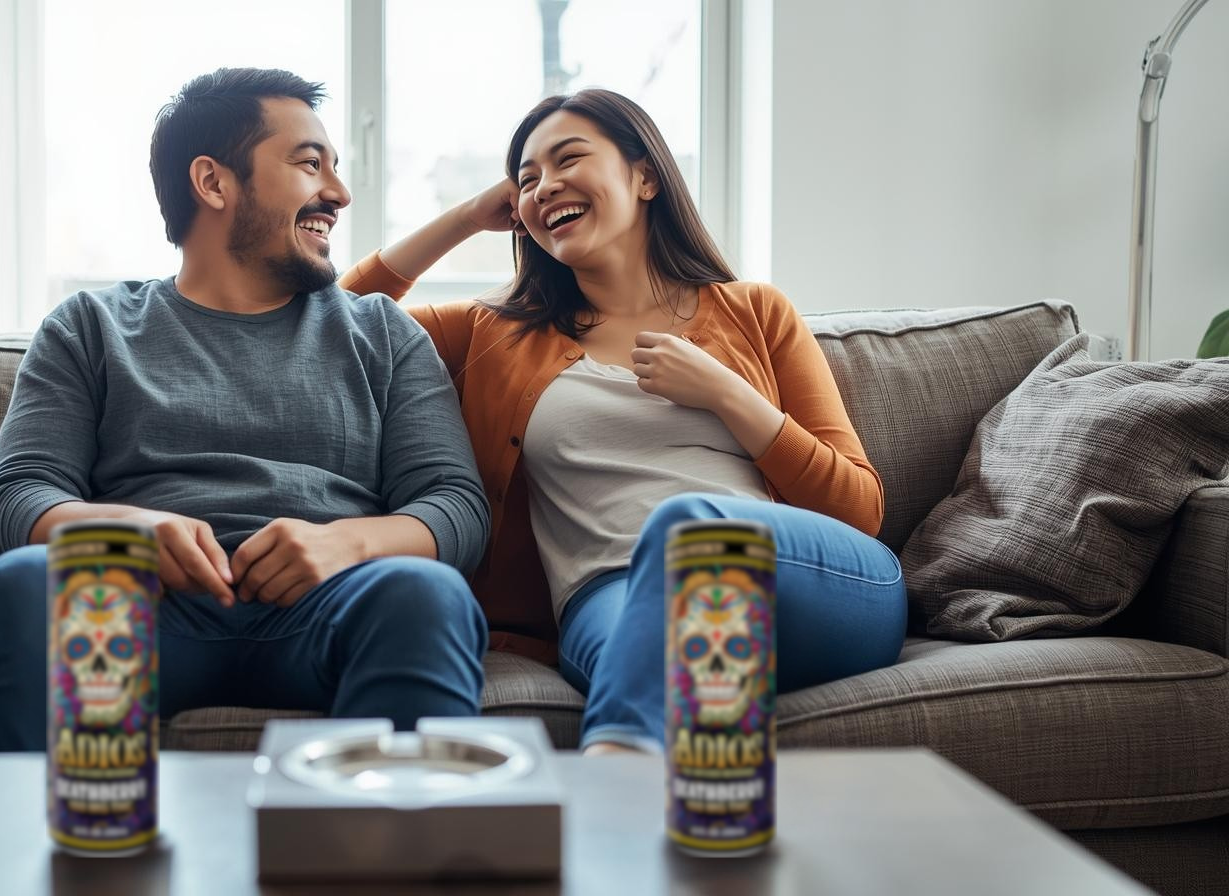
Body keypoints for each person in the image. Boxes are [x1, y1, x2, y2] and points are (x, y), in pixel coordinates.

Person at [340, 89, 906, 755]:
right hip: (611, 597)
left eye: (568, 160)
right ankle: (680, 791)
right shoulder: (492, 332)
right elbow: (340, 321)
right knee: (689, 658)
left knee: (688, 527)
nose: (545, 187)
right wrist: (467, 217)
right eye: (527, 180)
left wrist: (730, 396)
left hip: (804, 580)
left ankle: (614, 770)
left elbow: (858, 511)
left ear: (645, 177)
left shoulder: (754, 311)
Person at [0, 68, 491, 751]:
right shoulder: (90, 326)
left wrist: (347, 543)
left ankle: (376, 824)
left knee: (425, 595)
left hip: (333, 611)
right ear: (213, 182)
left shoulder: (382, 333)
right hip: (140, 610)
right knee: (20, 586)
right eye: (310, 164)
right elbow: (19, 496)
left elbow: (455, 506)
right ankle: (70, 821)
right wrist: (127, 532)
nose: (338, 193)